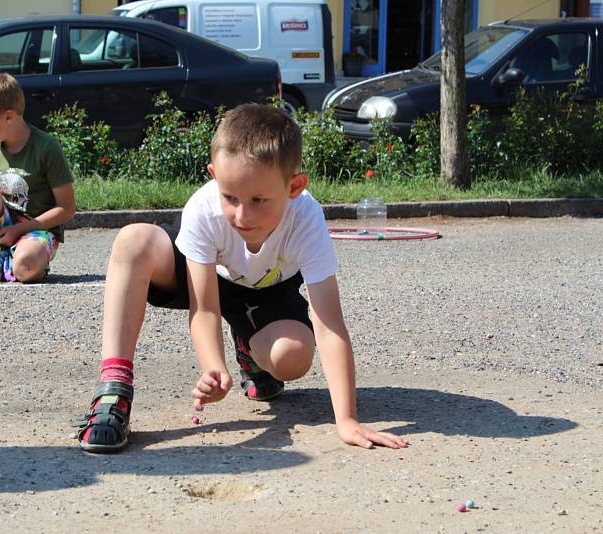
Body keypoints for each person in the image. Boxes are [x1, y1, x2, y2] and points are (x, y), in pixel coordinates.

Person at [76, 103, 409, 453]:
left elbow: (329, 324)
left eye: (259, 200)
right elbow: (204, 309)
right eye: (230, 197)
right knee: (134, 240)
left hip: (268, 290)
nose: (241, 215)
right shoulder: (204, 208)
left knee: (292, 358)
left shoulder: (306, 217)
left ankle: (250, 351)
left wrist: (347, 420)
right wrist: (214, 369)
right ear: (214, 175)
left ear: (294, 186)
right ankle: (113, 389)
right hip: (210, 279)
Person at [0, 72, 75, 283]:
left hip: (36, 229)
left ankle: (18, 258)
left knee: (25, 269)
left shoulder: (47, 148)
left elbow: (67, 209)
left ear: (8, 116)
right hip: (0, 230)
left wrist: (18, 229)